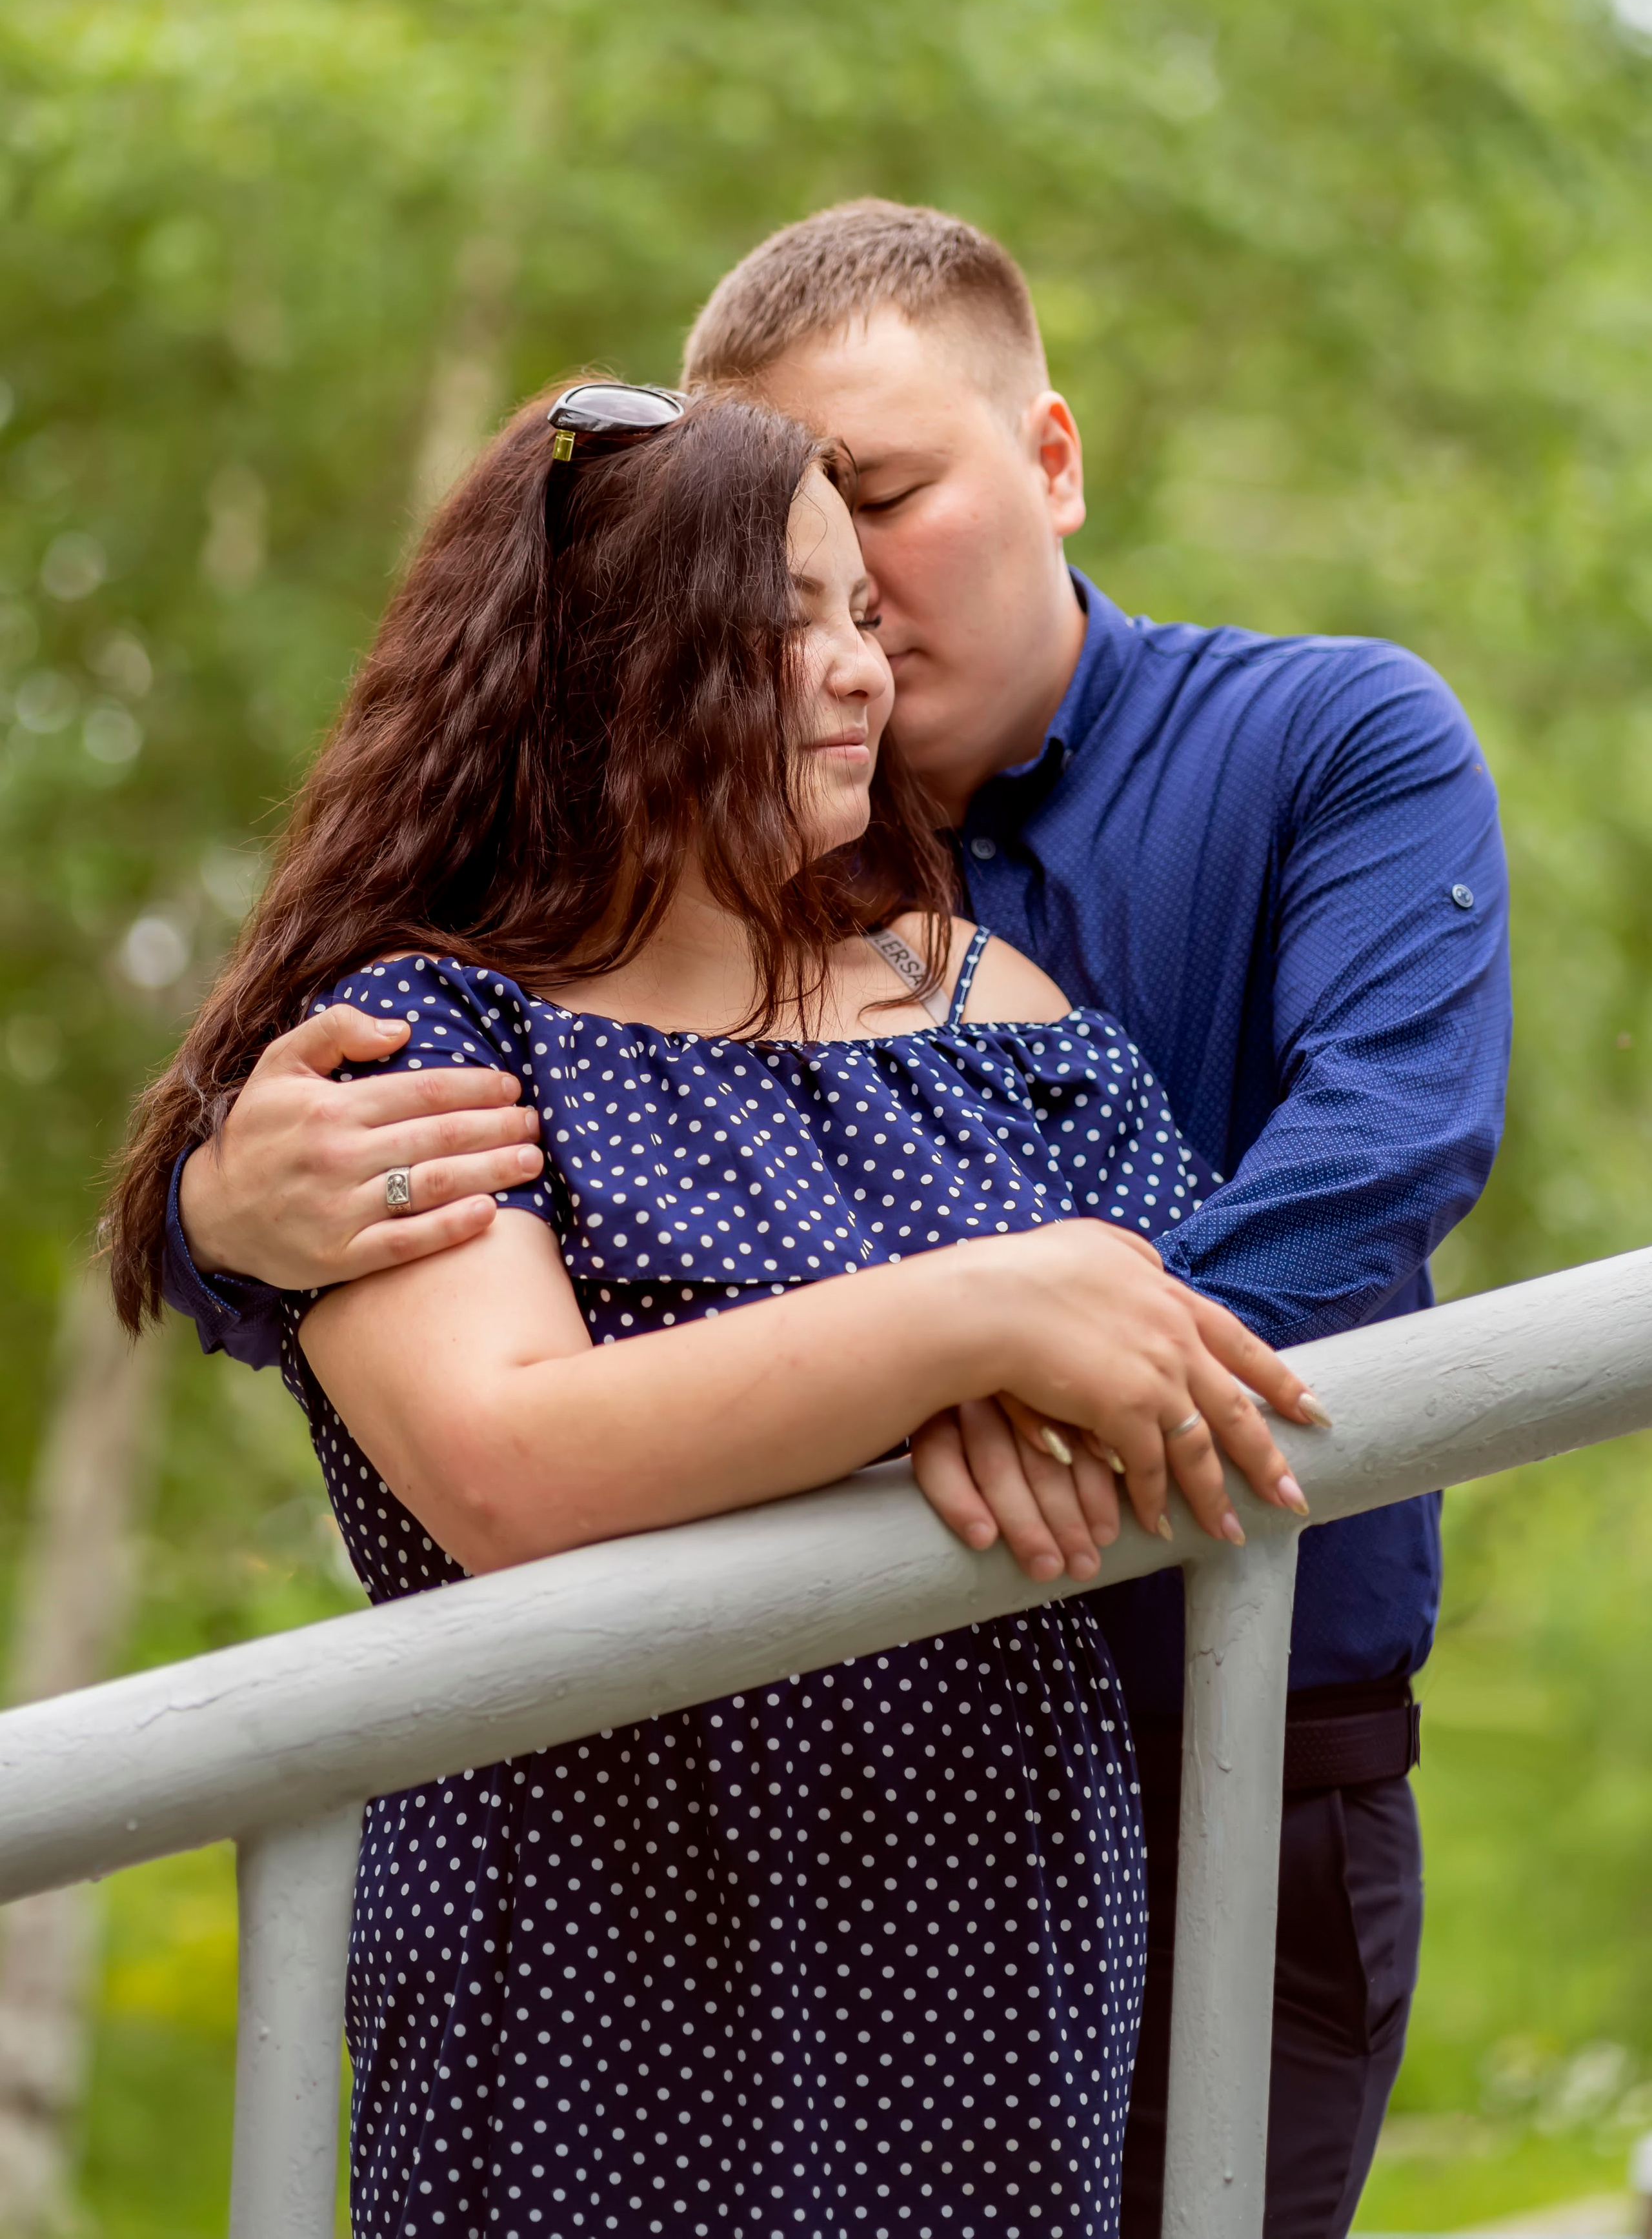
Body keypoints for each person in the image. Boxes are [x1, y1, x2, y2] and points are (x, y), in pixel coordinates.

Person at [156, 204, 1511, 2238]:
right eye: (787, 574)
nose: (857, 630)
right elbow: (477, 1389)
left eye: (876, 514)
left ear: (1051, 459)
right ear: (633, 630)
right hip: (625, 1925)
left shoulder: (1300, 760)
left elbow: (1382, 1149)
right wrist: (210, 1214)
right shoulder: (450, 1026)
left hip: (1213, 1762)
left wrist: (1063, 1381)